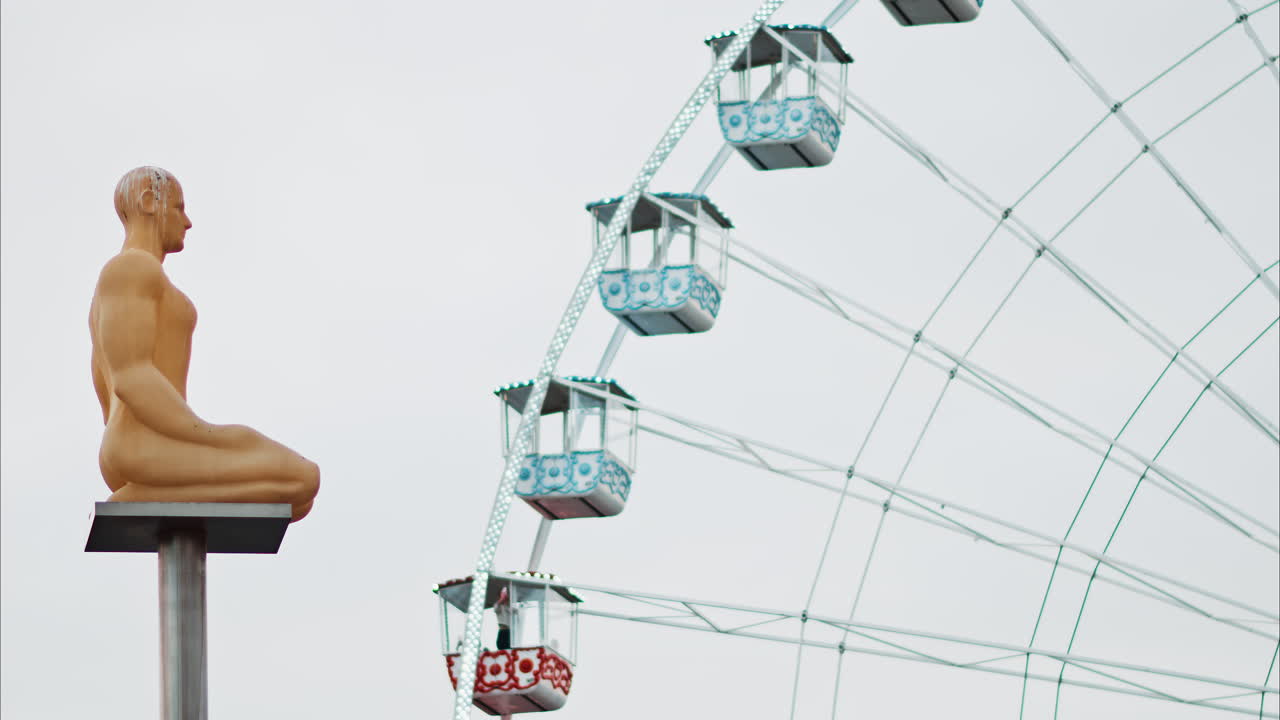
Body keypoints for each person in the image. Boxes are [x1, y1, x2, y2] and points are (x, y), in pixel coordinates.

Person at [89, 167, 320, 521]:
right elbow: (129, 377)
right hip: (144, 443)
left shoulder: (130, 276)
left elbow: (103, 385)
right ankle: (144, 492)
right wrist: (204, 435)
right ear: (150, 203)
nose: (187, 222)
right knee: (301, 478)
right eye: (179, 208)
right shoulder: (131, 269)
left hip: (141, 442)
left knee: (297, 497)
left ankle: (147, 494)